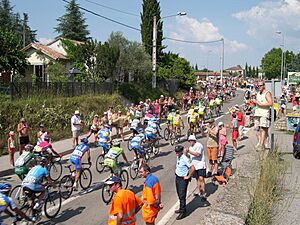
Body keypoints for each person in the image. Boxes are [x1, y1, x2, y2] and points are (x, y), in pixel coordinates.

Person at [174, 145, 195, 220]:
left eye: (178, 152)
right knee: (179, 194)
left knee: (182, 195)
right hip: (178, 177)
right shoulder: (178, 157)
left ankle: (183, 211)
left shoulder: (185, 159)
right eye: (176, 152)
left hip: (183, 179)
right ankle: (181, 208)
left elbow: (192, 168)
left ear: (181, 151)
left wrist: (188, 176)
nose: (176, 153)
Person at [252, 80, 273, 150]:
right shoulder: (258, 93)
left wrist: (259, 103)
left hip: (264, 113)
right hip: (257, 113)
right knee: (257, 129)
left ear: (264, 86)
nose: (259, 87)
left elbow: (270, 103)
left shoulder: (267, 93)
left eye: (260, 85)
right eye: (258, 86)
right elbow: (257, 102)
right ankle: (263, 143)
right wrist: (254, 102)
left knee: (263, 129)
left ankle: (261, 144)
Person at [186, 135, 206, 201]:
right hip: (194, 165)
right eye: (189, 141)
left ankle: (203, 192)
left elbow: (197, 154)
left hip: (200, 164)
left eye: (191, 140)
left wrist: (189, 151)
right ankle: (198, 191)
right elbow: (190, 156)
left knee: (201, 178)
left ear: (194, 140)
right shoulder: (190, 147)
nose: (190, 142)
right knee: (197, 179)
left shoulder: (198, 145)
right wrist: (186, 153)